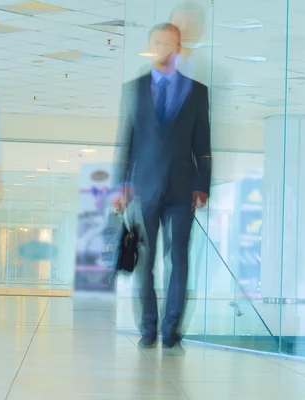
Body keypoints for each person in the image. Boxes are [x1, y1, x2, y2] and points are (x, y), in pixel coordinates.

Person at [115, 23, 212, 355]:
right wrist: (122, 182)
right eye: (157, 42)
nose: (162, 47)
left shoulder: (197, 91)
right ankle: (148, 328)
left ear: (178, 49)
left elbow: (203, 144)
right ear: (149, 44)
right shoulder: (136, 88)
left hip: (183, 190)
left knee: (178, 261)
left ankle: (172, 329)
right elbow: (126, 140)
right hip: (145, 188)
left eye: (168, 43)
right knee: (145, 262)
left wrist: (203, 184)